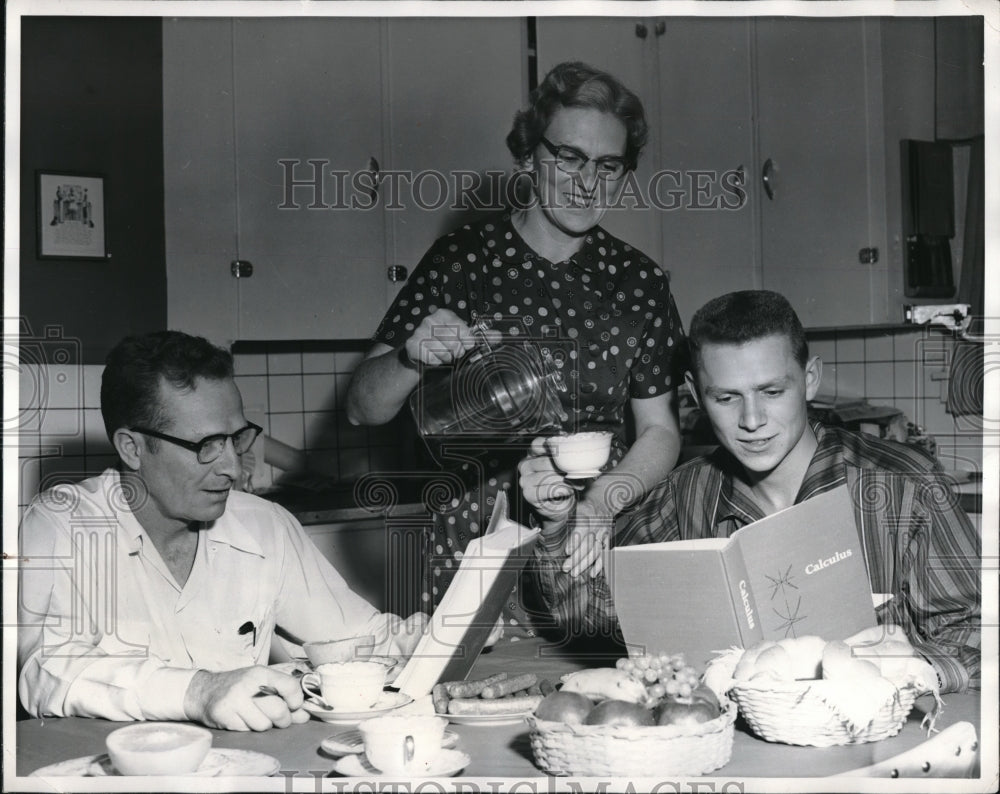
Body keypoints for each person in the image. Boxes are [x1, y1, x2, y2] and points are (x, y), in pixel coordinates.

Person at [346, 62, 687, 636]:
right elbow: (364, 408)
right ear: (529, 157)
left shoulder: (640, 281)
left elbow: (661, 430)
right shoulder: (462, 259)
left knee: (602, 699)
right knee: (477, 701)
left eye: (608, 166)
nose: (586, 183)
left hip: (592, 533)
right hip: (477, 545)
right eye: (569, 157)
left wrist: (605, 500)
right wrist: (410, 355)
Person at [521, 290, 980, 693]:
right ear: (697, 396)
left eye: (772, 391)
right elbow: (586, 613)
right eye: (726, 397)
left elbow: (977, 635)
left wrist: (910, 673)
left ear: (811, 380)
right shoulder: (686, 493)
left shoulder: (906, 487)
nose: (752, 420)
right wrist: (559, 519)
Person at [18, 331, 428, 730]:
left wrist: (445, 634)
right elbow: (46, 668)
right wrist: (200, 691)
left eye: (236, 439)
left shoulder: (264, 525)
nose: (232, 467)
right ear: (132, 448)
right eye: (206, 445)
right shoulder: (63, 524)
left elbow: (360, 637)